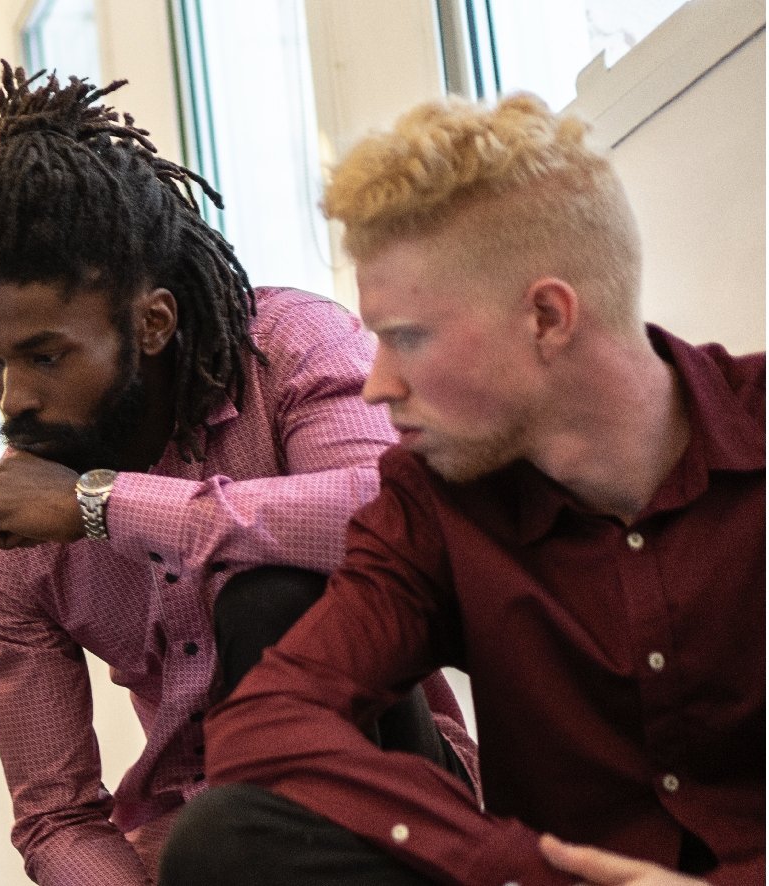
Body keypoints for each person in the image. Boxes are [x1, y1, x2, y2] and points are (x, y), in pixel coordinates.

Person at [160, 94, 762, 886]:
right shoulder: (432, 499)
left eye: (407, 336)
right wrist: (518, 867)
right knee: (223, 841)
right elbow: (266, 724)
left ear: (547, 316)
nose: (377, 384)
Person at [0, 66, 475, 884]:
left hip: (397, 813)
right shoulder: (5, 536)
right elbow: (56, 817)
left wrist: (105, 506)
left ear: (152, 322)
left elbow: (385, 513)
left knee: (272, 595)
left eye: (47, 356)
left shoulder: (288, 348)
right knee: (210, 841)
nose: (15, 398)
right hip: (195, 851)